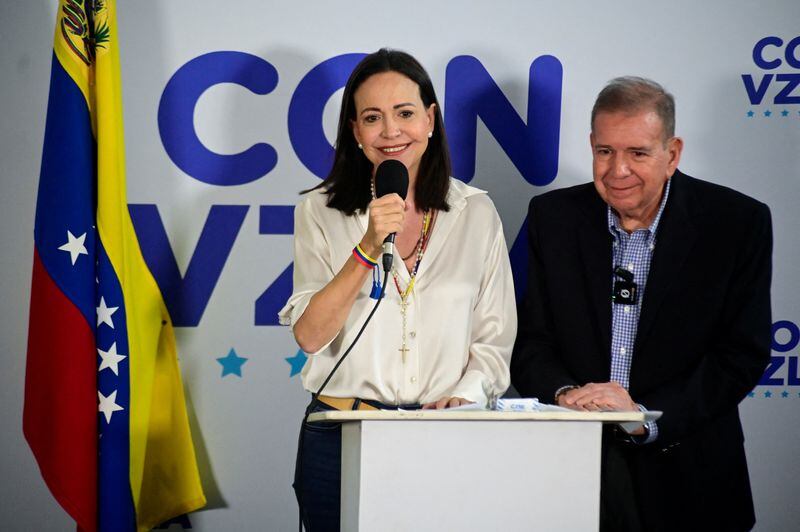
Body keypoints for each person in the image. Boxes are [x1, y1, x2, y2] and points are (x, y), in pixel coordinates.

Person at [511, 77, 771, 532]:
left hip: (691, 479)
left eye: (638, 153)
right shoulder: (552, 218)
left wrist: (641, 413)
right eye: (605, 151)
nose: (618, 171)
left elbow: (739, 356)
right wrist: (565, 395)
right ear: (591, 145)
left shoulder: (736, 223)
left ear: (672, 154)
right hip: (570, 477)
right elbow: (531, 341)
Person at [279, 49, 516, 531]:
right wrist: (365, 249)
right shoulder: (318, 212)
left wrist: (467, 396)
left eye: (405, 113)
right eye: (372, 118)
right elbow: (309, 336)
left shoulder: (476, 212)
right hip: (340, 436)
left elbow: (494, 339)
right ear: (355, 132)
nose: (391, 132)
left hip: (444, 434)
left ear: (430, 120)